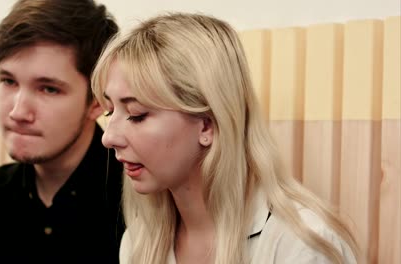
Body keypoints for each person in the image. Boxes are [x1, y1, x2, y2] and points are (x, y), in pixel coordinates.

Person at [91, 13, 359, 264]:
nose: (109, 137)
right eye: (110, 111)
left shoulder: (301, 247)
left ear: (207, 125)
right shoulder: (139, 242)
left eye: (137, 115)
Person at [0, 0, 123, 263]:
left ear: (97, 102)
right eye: (8, 81)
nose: (18, 112)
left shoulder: (140, 205)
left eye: (48, 89)